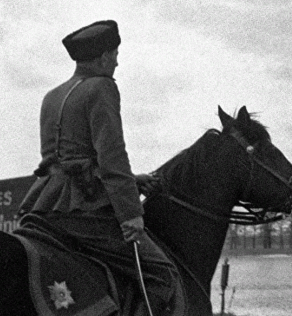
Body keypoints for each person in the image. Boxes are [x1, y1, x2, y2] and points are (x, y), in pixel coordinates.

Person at [17, 20, 179, 316]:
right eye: (115, 53)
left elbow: (65, 162)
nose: (117, 61)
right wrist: (131, 215)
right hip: (84, 210)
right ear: (103, 56)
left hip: (44, 206)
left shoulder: (51, 96)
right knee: (161, 273)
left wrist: (134, 181)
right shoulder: (102, 87)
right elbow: (112, 156)